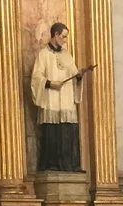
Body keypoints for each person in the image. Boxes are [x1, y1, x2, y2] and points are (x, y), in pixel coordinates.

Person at [30, 23, 92, 172]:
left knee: (68, 132)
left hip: (66, 100)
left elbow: (74, 74)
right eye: (63, 37)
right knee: (52, 134)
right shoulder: (43, 54)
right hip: (51, 100)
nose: (65, 40)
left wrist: (79, 76)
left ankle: (71, 165)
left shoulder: (67, 56)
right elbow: (36, 77)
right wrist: (50, 83)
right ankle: (52, 165)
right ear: (56, 35)